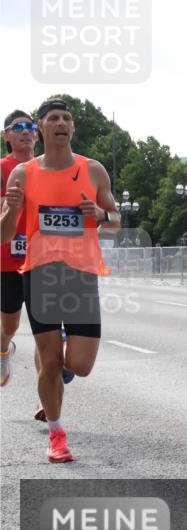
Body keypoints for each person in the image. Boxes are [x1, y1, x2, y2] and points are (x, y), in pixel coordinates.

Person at [1, 98, 120, 463]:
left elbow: (115, 221)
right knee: (50, 362)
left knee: (80, 365)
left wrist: (100, 214)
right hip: (40, 274)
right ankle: (57, 435)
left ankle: (60, 356)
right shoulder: (23, 174)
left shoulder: (93, 170)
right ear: (42, 127)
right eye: (53, 118)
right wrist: (13, 209)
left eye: (67, 118)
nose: (61, 123)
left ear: (72, 128)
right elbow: (4, 234)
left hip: (82, 275)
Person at [1, 110, 37, 387]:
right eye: (18, 127)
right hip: (8, 260)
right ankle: (4, 351)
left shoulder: (48, 167)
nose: (26, 131)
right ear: (7, 135)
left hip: (43, 260)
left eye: (30, 126)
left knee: (47, 333)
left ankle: (47, 394)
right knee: (9, 326)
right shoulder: (3, 168)